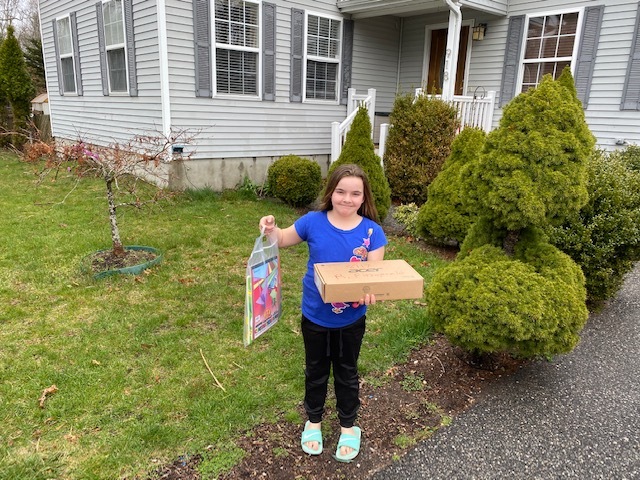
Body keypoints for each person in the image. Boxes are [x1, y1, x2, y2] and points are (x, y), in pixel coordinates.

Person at [259, 164, 387, 463]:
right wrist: (269, 229)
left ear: (364, 196)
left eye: (356, 193)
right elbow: (281, 239)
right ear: (331, 192)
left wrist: (372, 290)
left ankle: (348, 426)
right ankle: (313, 422)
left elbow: (374, 274)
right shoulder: (313, 222)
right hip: (315, 315)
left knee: (346, 371)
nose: (347, 199)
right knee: (315, 370)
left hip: (351, 320)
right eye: (341, 191)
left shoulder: (373, 232)